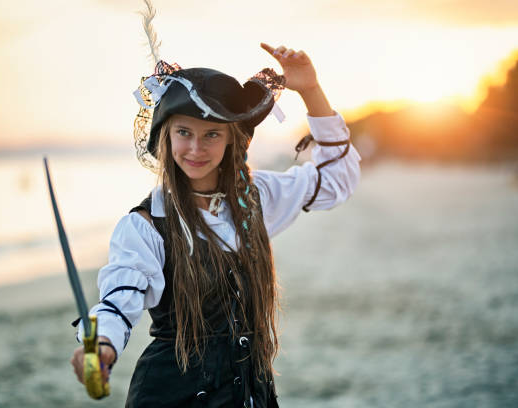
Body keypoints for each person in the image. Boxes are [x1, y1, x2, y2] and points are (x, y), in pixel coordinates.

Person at [70, 43, 361, 407]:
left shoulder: (257, 198)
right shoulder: (145, 226)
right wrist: (102, 345)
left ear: (230, 141)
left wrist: (311, 90)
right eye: (184, 132)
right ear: (166, 136)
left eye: (211, 134)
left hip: (251, 395)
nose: (195, 148)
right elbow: (117, 303)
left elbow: (338, 179)